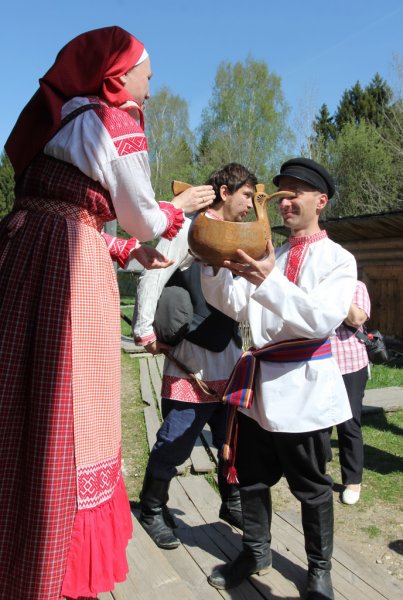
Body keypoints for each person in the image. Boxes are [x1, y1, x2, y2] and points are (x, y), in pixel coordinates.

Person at [0, 26, 215, 600]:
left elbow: (66, 207)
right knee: (70, 401)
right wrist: (179, 205)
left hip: (25, 250)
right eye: (147, 75)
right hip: (69, 268)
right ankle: (51, 550)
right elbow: (143, 217)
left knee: (20, 390)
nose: (151, 88)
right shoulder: (115, 119)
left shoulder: (60, 119)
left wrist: (123, 249)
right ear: (118, 77)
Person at [200, 157, 357, 599]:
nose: (283, 201)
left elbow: (319, 319)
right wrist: (212, 261)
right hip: (259, 389)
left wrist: (268, 278)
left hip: (306, 388)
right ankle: (255, 552)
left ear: (320, 201)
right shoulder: (273, 252)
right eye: (280, 193)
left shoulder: (339, 260)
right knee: (251, 479)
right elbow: (236, 304)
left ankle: (319, 571)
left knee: (312, 487)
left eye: (294, 193)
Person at [133, 163, 257, 549]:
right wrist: (144, 329)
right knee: (177, 438)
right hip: (192, 356)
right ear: (225, 192)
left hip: (228, 354)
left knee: (230, 438)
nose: (251, 205)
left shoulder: (240, 236)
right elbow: (154, 272)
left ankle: (231, 503)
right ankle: (152, 507)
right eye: (247, 195)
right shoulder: (188, 227)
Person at [331, 281, 371, 505]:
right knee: (317, 423)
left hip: (350, 363)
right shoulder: (312, 282)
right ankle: (315, 471)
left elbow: (356, 319)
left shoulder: (356, 287)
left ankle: (353, 481)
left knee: (349, 423)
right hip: (318, 362)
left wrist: (335, 288)